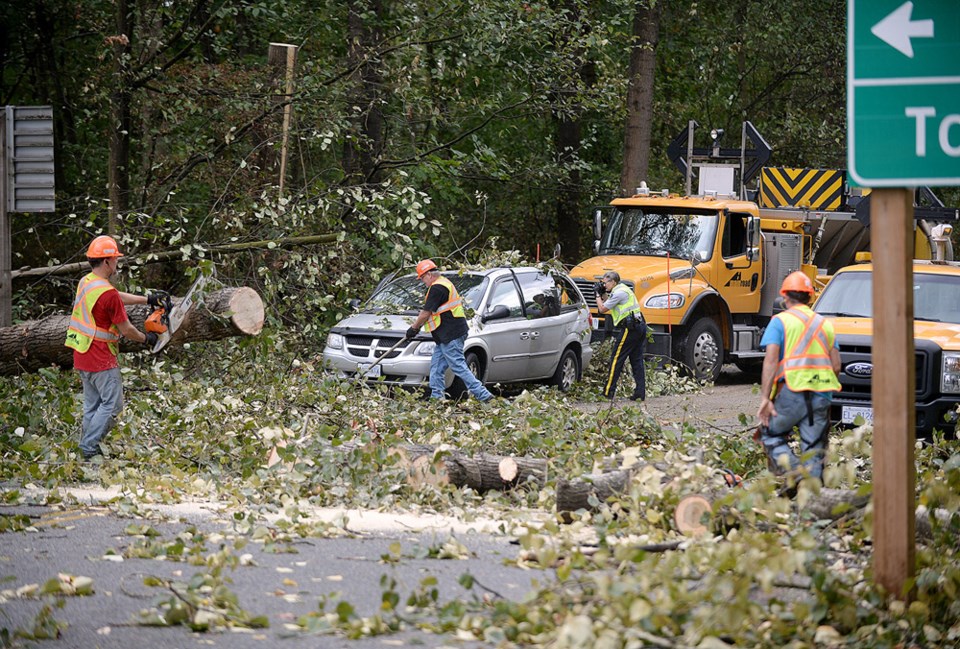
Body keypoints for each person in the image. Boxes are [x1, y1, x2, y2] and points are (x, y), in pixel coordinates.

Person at [65, 235, 162, 460]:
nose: (117, 263)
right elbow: (126, 329)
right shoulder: (106, 293)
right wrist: (146, 339)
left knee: (92, 405)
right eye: (115, 259)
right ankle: (89, 448)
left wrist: (147, 299)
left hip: (82, 354)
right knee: (113, 405)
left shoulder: (87, 282)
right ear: (107, 261)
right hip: (101, 359)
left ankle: (85, 449)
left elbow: (114, 296)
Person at [756, 271, 841, 482]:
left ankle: (795, 473)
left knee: (770, 434)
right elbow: (836, 366)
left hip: (792, 391)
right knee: (813, 448)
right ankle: (812, 501)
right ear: (810, 297)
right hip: (822, 394)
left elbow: (771, 360)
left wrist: (766, 398)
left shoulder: (780, 321)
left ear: (785, 297)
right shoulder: (825, 324)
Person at [405, 259, 493, 402]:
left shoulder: (437, 288)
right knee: (436, 367)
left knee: (458, 366)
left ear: (429, 274)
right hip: (447, 335)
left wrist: (414, 328)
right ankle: (437, 399)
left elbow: (426, 313)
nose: (422, 281)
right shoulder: (444, 283)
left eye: (422, 278)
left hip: (451, 334)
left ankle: (484, 395)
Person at [595, 271, 647, 401]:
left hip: (630, 329)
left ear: (613, 282)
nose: (604, 284)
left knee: (616, 359)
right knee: (636, 360)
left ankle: (608, 392)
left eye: (605, 282)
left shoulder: (619, 292)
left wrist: (596, 294)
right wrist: (602, 293)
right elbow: (610, 303)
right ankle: (640, 392)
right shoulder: (622, 290)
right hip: (638, 326)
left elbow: (602, 309)